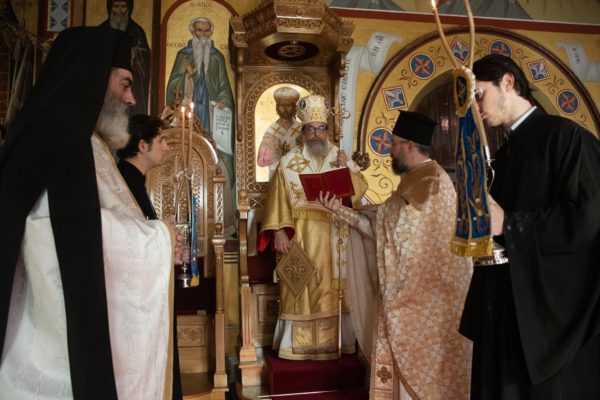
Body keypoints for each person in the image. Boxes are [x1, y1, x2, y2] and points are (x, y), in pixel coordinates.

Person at [0, 27, 184, 399]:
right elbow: (65, 232)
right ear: (93, 78)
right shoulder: (59, 137)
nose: (132, 99)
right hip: (49, 359)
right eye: (125, 84)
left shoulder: (86, 140)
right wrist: (160, 239)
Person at [459, 54, 600, 399]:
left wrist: (510, 223)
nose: (476, 107)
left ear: (508, 82)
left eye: (479, 94)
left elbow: (587, 220)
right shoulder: (505, 153)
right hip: (504, 308)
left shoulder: (565, 138)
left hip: (545, 319)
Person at [318, 111, 473, 399]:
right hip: (408, 299)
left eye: (394, 143)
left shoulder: (432, 183)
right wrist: (338, 210)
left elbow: (403, 238)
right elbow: (386, 230)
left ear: (410, 145)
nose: (389, 150)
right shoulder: (415, 179)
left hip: (422, 304)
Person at [257, 94, 368, 360]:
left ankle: (339, 343)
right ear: (303, 132)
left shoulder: (339, 157)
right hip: (301, 236)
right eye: (310, 129)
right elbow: (277, 200)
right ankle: (298, 347)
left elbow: (360, 193)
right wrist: (279, 231)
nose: (316, 134)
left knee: (335, 291)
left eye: (321, 128)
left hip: (336, 234)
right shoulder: (288, 162)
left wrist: (348, 167)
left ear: (327, 131)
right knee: (301, 291)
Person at [165, 16, 235, 236]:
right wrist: (187, 76)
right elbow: (173, 91)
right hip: (189, 117)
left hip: (212, 117)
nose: (203, 36)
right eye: (199, 31)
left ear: (210, 33)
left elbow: (224, 88)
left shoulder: (217, 58)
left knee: (217, 161)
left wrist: (222, 101)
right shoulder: (183, 55)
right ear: (192, 32)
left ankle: (221, 220)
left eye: (206, 31)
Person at [100, 0, 151, 115]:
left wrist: (135, 57)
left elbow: (144, 62)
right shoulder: (101, 31)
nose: (119, 11)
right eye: (116, 6)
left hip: (130, 86)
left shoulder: (137, 32)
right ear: (110, 8)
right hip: (107, 86)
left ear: (129, 9)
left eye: (123, 6)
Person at [117, 114, 170, 219]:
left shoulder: (131, 177)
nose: (166, 147)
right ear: (143, 146)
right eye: (160, 141)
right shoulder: (128, 183)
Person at [256, 86, 302, 179]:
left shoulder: (301, 128)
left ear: (294, 108)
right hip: (276, 174)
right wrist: (274, 152)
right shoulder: (272, 130)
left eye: (288, 105)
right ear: (277, 108)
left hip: (296, 172)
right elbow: (261, 161)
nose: (285, 108)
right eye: (282, 105)